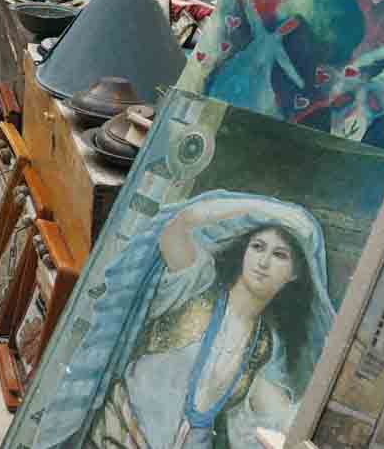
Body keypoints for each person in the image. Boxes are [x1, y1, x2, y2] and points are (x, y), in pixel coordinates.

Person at [37, 189, 335, 449]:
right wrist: (264, 210)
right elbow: (178, 226)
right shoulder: (197, 283)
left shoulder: (264, 344)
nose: (263, 262)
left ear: (295, 274)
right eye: (257, 247)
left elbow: (280, 416)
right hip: (117, 433)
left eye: (280, 255)